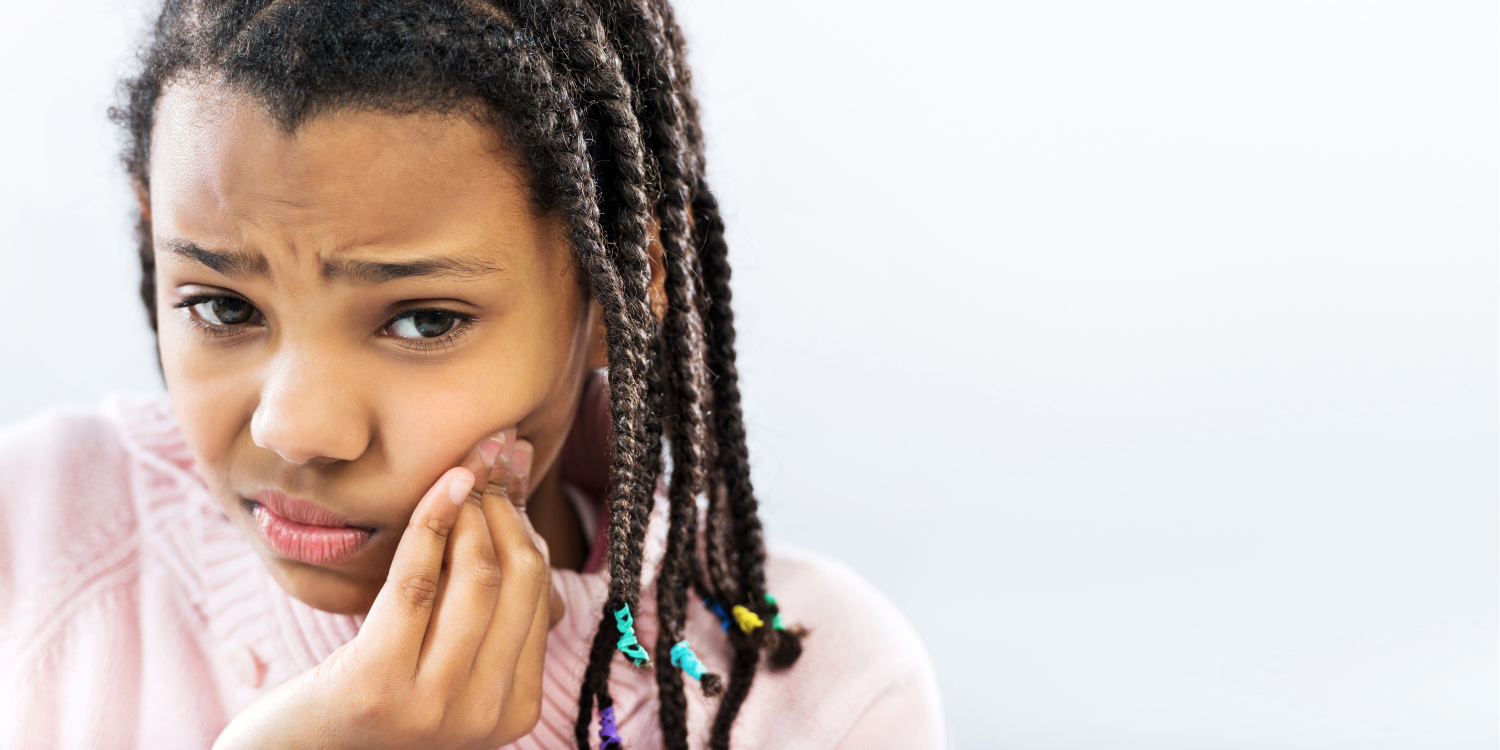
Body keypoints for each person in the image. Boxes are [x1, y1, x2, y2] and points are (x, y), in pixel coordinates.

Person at [0, 0, 944, 747]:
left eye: (421, 320)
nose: (295, 429)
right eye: (222, 306)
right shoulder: (35, 539)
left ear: (625, 285)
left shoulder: (805, 697)